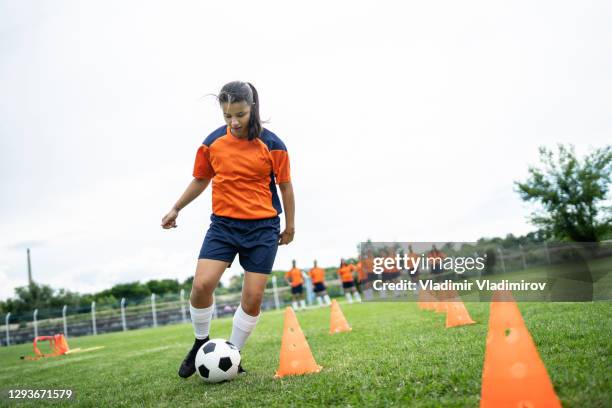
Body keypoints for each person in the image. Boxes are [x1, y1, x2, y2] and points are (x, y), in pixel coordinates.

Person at [161, 81, 295, 378]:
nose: (234, 122)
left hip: (263, 228)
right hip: (223, 225)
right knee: (201, 287)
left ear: (252, 109)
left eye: (241, 114)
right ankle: (200, 344)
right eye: (227, 116)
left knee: (253, 298)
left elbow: (285, 187)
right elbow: (200, 179)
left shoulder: (273, 145)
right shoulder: (212, 143)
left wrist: (290, 225)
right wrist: (176, 207)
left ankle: (232, 354)